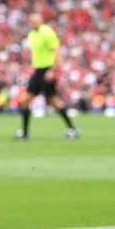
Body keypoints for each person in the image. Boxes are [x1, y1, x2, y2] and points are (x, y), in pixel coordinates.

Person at [15, 12, 79, 141]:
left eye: (36, 20)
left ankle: (72, 129)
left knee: (54, 101)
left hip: (47, 70)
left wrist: (53, 71)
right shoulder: (32, 35)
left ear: (41, 20)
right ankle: (25, 133)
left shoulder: (48, 33)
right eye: (32, 20)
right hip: (38, 71)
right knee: (25, 100)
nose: (34, 22)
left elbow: (56, 52)